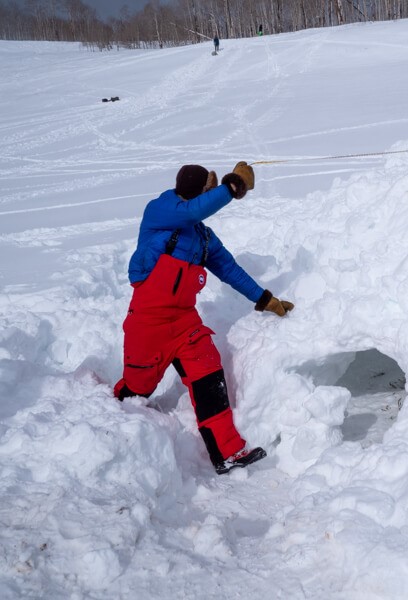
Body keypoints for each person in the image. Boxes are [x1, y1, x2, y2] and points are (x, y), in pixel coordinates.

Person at [114, 162, 295, 475]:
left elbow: (229, 270)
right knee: (137, 389)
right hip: (147, 322)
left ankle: (227, 452)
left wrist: (265, 299)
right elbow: (190, 212)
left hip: (184, 324)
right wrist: (233, 187)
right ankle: (107, 429)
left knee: (209, 375)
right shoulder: (160, 210)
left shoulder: (204, 239)